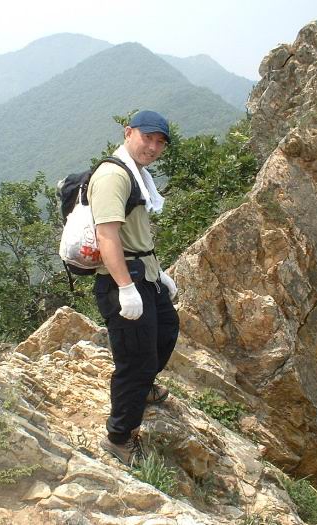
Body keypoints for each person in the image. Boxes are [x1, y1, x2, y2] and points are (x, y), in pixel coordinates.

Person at [88, 110, 180, 466]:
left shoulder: (137, 174)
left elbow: (136, 235)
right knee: (135, 360)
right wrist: (125, 288)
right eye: (147, 138)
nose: (153, 147)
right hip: (122, 280)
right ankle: (119, 437)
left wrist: (159, 273)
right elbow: (107, 235)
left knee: (166, 330)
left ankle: (143, 387)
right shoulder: (113, 175)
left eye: (160, 142)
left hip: (146, 274)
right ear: (128, 133)